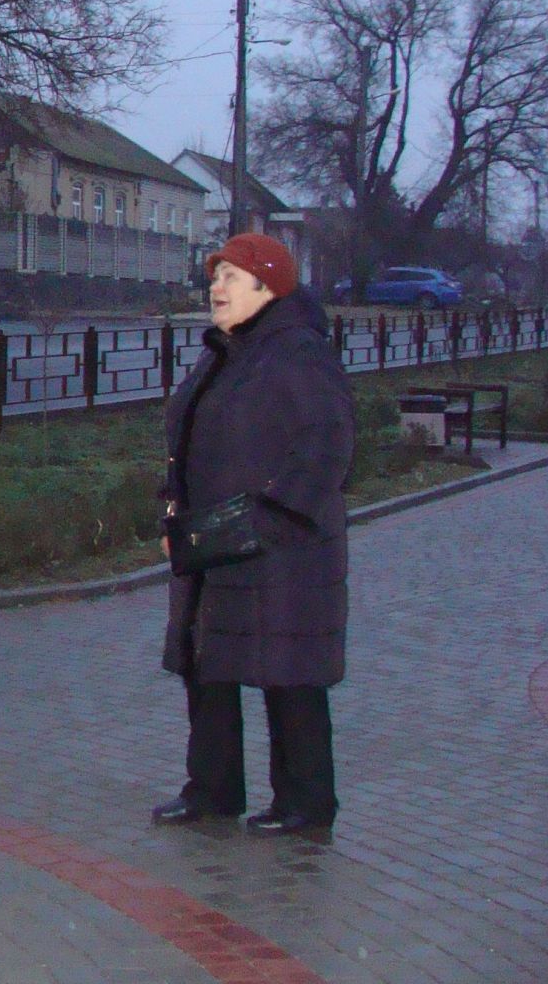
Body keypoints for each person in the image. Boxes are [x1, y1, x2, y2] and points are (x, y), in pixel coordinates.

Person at [153, 233, 355, 836]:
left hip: (283, 548)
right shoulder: (225, 351)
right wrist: (173, 507)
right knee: (208, 666)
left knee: (289, 670)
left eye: (230, 278)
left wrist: (272, 519)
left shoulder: (298, 354)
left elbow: (326, 448)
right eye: (215, 277)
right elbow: (186, 439)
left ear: (268, 288)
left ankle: (306, 803)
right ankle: (213, 790)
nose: (215, 288)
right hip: (214, 539)